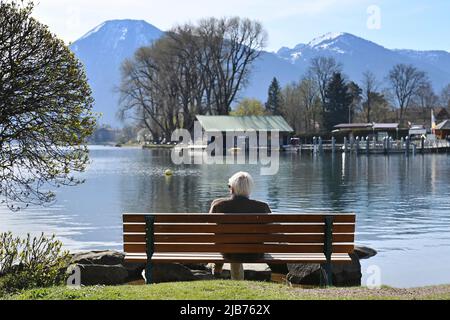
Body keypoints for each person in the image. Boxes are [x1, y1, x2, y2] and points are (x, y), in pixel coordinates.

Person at [209, 171, 271, 280]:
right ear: (249, 189)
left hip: (228, 251)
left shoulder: (218, 205)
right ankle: (236, 280)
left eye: (229, 186)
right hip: (255, 252)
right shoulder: (262, 207)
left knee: (231, 244)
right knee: (237, 244)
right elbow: (271, 230)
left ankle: (218, 271)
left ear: (232, 188)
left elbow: (209, 228)